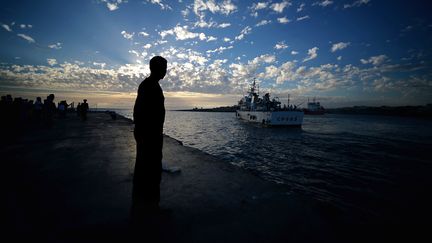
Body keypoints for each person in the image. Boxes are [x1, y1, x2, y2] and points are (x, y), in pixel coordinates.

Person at [131, 56, 167, 215]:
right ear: (156, 68)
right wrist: (143, 134)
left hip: (150, 135)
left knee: (147, 170)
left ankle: (145, 205)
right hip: (149, 137)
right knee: (150, 171)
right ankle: (150, 207)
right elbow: (139, 112)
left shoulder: (151, 85)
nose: (166, 71)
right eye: (164, 67)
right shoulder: (149, 86)